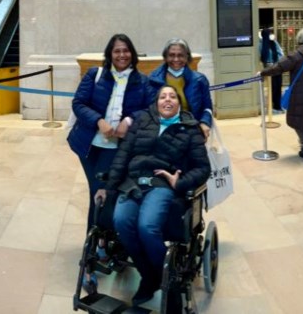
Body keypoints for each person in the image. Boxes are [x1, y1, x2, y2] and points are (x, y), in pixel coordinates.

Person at [94, 85, 210, 307]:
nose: (167, 100)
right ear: (156, 102)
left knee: (147, 227)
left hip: (162, 184)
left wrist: (180, 181)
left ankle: (167, 280)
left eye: (172, 96)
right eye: (163, 97)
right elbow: (123, 156)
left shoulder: (190, 129)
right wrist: (108, 188)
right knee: (121, 222)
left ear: (179, 103)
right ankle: (150, 275)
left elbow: (203, 168)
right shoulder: (142, 122)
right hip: (132, 182)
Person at [68, 34, 153, 232]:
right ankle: (99, 241)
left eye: (125, 50)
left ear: (132, 53)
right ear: (109, 54)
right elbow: (78, 103)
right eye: (117, 51)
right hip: (88, 145)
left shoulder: (142, 82)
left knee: (101, 190)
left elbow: (151, 110)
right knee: (98, 190)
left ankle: (97, 241)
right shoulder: (94, 75)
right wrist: (99, 121)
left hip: (114, 148)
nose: (121, 55)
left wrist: (129, 120)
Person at [259, 29, 303, 160]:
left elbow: (279, 67)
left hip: (297, 95)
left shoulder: (295, 55)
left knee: (297, 120)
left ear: (299, 40)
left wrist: (263, 72)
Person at [147, 38, 214, 139]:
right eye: (172, 55)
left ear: (187, 57)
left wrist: (205, 122)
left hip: (191, 130)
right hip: (162, 131)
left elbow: (207, 107)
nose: (176, 59)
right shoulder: (153, 79)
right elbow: (148, 108)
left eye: (180, 55)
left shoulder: (200, 80)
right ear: (165, 57)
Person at [258, 28, 285, 112]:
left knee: (277, 87)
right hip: (269, 70)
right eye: (269, 33)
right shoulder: (260, 45)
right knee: (272, 88)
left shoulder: (273, 43)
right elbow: (260, 58)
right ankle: (272, 106)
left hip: (277, 68)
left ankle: (277, 105)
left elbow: (281, 53)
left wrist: (277, 63)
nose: (270, 35)